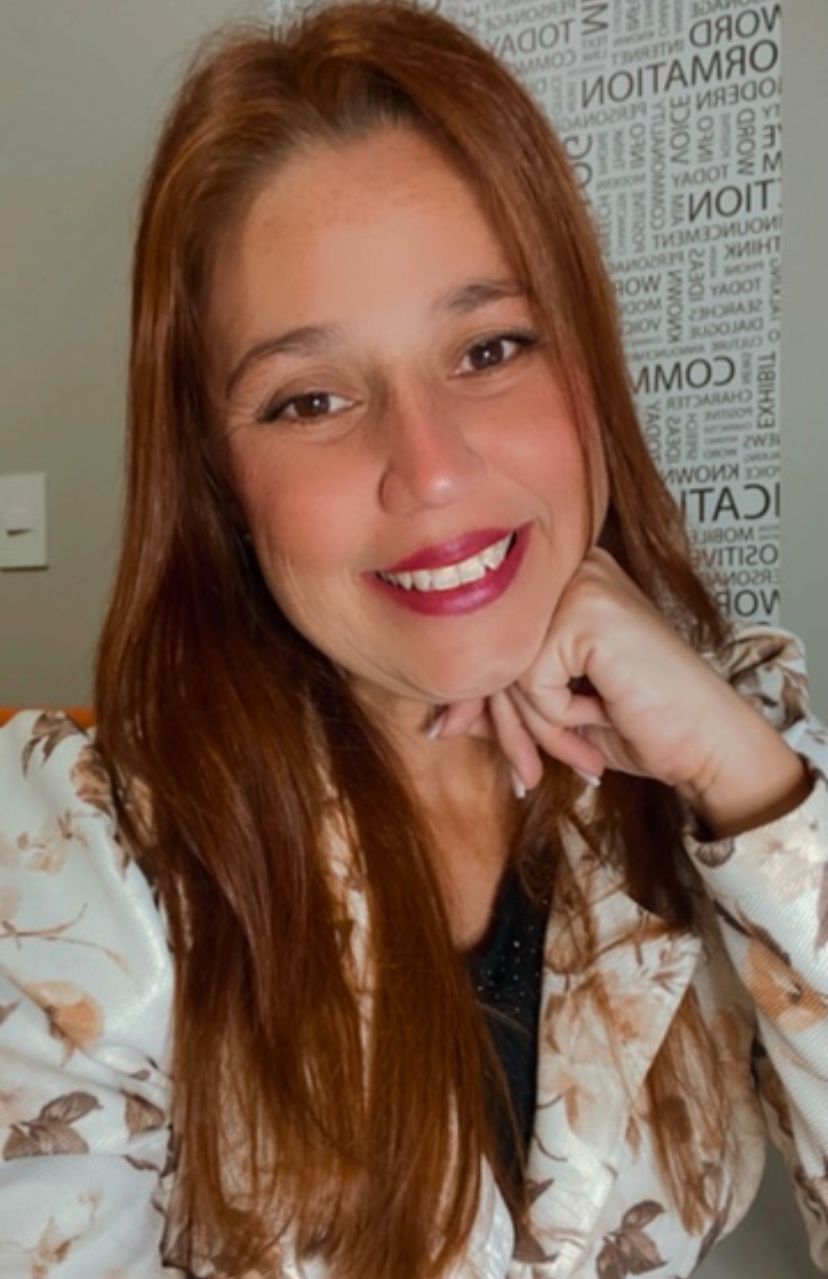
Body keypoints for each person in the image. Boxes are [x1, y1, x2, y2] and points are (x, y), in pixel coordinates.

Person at [0, 3, 826, 1276]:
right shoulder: (74, 872)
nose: (430, 469)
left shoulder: (733, 746)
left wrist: (753, 793)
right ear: (221, 477)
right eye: (311, 399)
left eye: (490, 348)